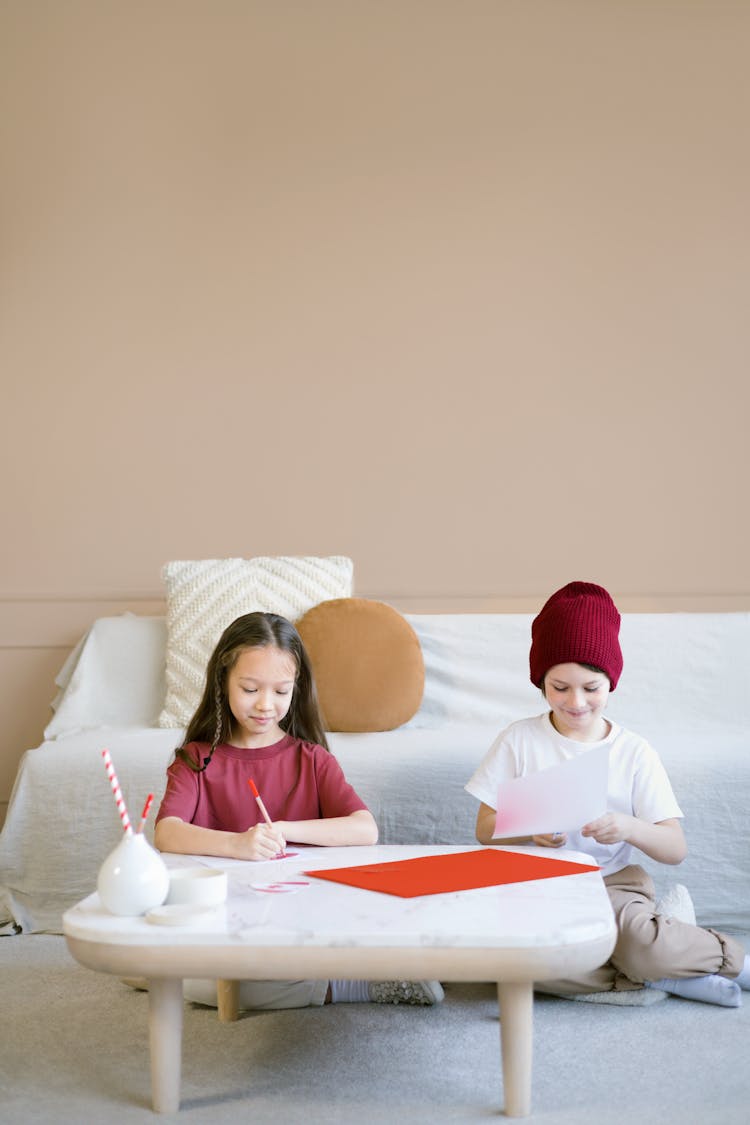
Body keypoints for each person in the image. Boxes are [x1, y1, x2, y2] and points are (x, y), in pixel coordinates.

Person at [465, 581, 750, 1006]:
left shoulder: (632, 751)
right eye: (560, 687)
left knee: (642, 945)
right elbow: (485, 830)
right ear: (541, 682)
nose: (576, 702)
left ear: (610, 682)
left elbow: (674, 848)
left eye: (591, 687)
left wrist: (629, 827)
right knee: (510, 964)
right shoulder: (518, 740)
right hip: (539, 890)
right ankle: (656, 976)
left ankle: (724, 958)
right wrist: (529, 832)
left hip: (611, 885)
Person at [153, 610, 443, 1010]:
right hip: (224, 926)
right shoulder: (196, 759)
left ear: (297, 688)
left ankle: (348, 985)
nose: (265, 705)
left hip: (300, 923)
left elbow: (365, 829)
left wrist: (285, 830)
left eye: (280, 691)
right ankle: (343, 983)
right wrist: (239, 843)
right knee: (155, 967)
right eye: (250, 689)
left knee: (185, 982)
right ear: (223, 682)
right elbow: (167, 831)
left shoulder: (313, 759)